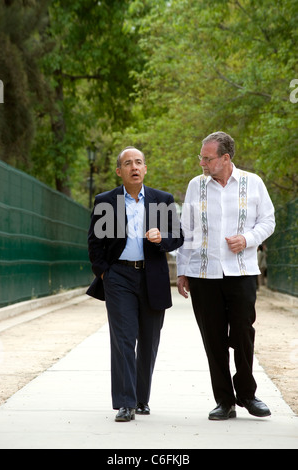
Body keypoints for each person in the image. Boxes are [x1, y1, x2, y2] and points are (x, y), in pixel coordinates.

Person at [177, 131, 275, 420]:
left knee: (243, 333)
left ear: (225, 158)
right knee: (213, 338)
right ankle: (224, 401)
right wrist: (183, 271)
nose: (202, 163)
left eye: (207, 158)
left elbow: (268, 220)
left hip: (242, 271)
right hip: (203, 274)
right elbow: (187, 230)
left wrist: (248, 239)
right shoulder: (196, 186)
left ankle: (247, 394)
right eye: (201, 158)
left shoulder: (253, 182)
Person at [87, 146, 184, 422]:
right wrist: (105, 273)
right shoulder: (105, 200)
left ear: (145, 168)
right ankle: (125, 403)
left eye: (139, 162)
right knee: (124, 339)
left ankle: (142, 399)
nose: (134, 167)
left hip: (152, 277)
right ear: (120, 171)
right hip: (118, 277)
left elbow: (177, 237)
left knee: (149, 340)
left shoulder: (162, 199)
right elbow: (94, 242)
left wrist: (160, 239)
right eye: (128, 163)